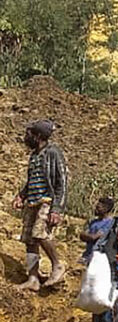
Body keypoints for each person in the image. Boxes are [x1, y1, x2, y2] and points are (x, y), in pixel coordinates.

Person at [12, 120, 68, 291]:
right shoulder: (34, 155)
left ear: (38, 136)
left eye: (29, 134)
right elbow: (32, 181)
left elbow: (62, 182)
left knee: (40, 233)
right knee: (29, 239)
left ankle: (57, 265)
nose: (26, 137)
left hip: (47, 201)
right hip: (33, 201)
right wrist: (21, 196)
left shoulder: (53, 152)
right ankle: (33, 278)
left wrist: (57, 208)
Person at [78, 197, 115, 265]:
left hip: (98, 257)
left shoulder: (110, 223)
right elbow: (82, 235)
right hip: (87, 255)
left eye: (98, 208)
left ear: (106, 209)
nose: (96, 209)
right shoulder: (93, 222)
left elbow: (94, 237)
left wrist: (88, 236)